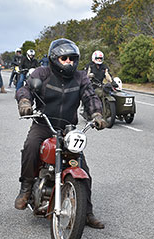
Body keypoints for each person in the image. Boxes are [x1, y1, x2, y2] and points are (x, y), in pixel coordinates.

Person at [14, 38, 108, 229]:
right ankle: (25, 188)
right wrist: (25, 102)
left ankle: (86, 212)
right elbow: (26, 88)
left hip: (67, 129)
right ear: (55, 58)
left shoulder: (81, 77)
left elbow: (90, 96)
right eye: (64, 58)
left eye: (72, 59)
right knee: (31, 146)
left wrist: (97, 114)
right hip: (43, 124)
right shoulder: (43, 73)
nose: (69, 62)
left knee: (83, 167)